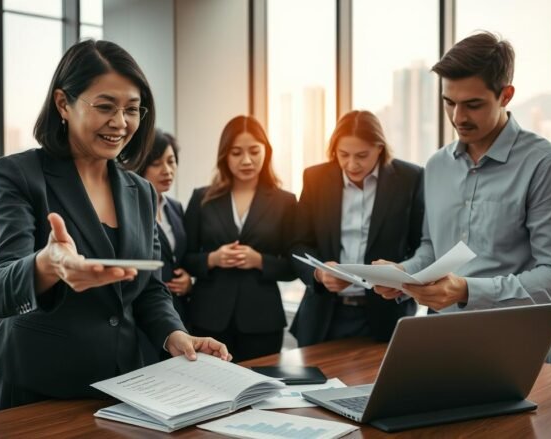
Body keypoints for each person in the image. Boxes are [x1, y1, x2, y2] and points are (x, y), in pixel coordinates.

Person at [0, 40, 230, 411]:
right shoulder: (20, 175)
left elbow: (149, 289)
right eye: (105, 107)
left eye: (132, 109)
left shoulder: (141, 191)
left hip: (123, 384)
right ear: (63, 103)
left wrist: (174, 335)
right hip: (39, 388)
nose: (120, 123)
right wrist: (48, 265)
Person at [374, 32, 551, 318]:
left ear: (506, 96)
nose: (458, 117)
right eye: (449, 102)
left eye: (473, 105)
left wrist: (466, 290)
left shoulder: (548, 167)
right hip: (436, 337)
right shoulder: (437, 166)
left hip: (511, 344)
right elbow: (432, 249)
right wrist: (403, 273)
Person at [290, 110, 423, 347]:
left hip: (387, 317)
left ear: (380, 148)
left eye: (362, 155)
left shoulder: (410, 178)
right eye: (343, 155)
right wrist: (319, 274)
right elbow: (298, 243)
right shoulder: (315, 178)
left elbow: (422, 245)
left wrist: (401, 278)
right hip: (324, 316)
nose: (351, 164)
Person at [182, 115, 297, 362]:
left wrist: (259, 261)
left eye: (254, 151)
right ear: (224, 155)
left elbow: (293, 266)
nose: (246, 160)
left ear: (266, 151)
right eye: (236, 153)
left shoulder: (285, 202)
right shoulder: (202, 199)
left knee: (260, 390)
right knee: (206, 388)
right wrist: (213, 258)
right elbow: (184, 258)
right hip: (208, 317)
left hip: (262, 320)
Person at [135, 129, 192, 329]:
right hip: (144, 315)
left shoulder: (175, 208)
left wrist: (188, 280)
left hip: (178, 311)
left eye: (171, 161)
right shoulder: (132, 210)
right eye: (156, 163)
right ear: (141, 166)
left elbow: (181, 257)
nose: (167, 170)